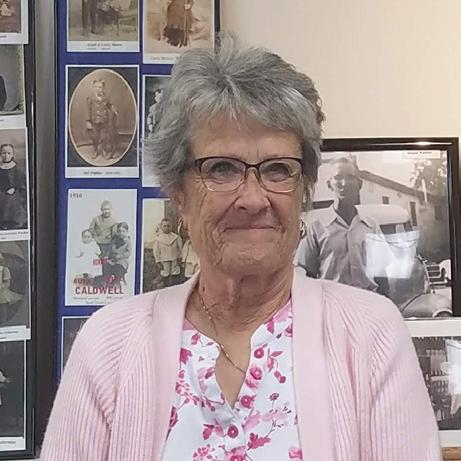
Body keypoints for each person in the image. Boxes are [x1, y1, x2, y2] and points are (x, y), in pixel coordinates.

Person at [42, 36, 441, 460]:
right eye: (222, 169)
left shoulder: (371, 335)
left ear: (304, 190)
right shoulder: (109, 345)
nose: (253, 199)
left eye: (278, 169)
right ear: (177, 192)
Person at [295, 157, 393, 295]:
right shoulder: (316, 227)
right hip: (331, 301)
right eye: (337, 177)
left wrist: (385, 303)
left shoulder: (371, 225)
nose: (344, 183)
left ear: (359, 184)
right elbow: (308, 274)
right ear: (329, 184)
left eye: (350, 177)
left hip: (367, 300)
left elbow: (381, 272)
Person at [85, 79, 118, 160]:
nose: (98, 89)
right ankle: (95, 150)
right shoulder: (90, 97)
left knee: (104, 136)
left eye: (100, 87)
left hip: (104, 120)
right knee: (95, 136)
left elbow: (110, 105)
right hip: (94, 121)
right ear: (93, 88)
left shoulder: (106, 97)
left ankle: (103, 150)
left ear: (103, 88)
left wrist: (114, 110)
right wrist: (88, 121)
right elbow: (88, 109)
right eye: (96, 87)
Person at [0, 144, 27, 230]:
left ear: (12, 154)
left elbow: (20, 182)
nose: (6, 155)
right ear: (1, 154)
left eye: (8, 153)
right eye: (4, 153)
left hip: (15, 192)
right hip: (2, 192)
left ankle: (12, 221)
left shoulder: (17, 168)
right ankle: (3, 222)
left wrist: (14, 188)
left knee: (11, 199)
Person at [152, 217, 182, 287]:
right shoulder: (159, 239)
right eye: (164, 226)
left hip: (174, 258)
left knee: (175, 273)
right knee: (165, 274)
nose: (166, 228)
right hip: (164, 259)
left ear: (171, 226)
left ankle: (174, 287)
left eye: (168, 226)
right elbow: (156, 251)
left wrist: (180, 257)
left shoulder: (176, 237)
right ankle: (166, 286)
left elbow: (179, 248)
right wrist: (158, 260)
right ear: (161, 227)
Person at [0, 252, 22, 325]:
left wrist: (2, 286)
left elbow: (7, 283)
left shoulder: (5, 269)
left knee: (3, 313)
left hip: (2, 296)